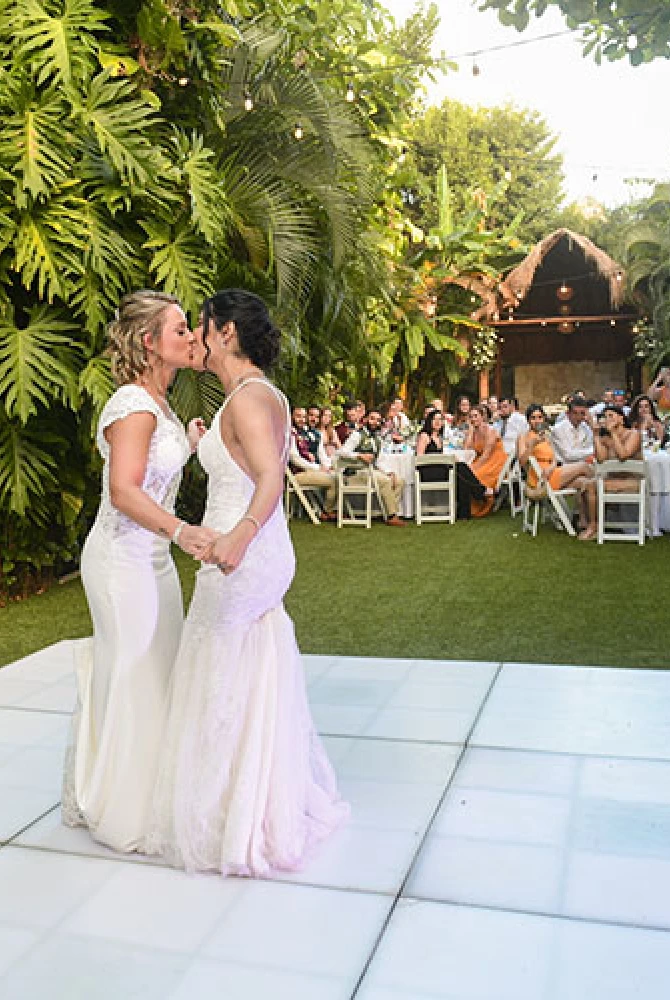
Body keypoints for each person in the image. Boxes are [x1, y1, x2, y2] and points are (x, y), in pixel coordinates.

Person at [148, 289, 348, 875]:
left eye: (202, 327)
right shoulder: (244, 396)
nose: (197, 339)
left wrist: (237, 535)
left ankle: (235, 816)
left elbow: (268, 479)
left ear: (227, 332)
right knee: (242, 669)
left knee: (221, 670)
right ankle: (249, 802)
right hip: (242, 549)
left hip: (245, 552)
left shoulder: (251, 397)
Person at [61, 290, 217, 852]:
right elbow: (125, 492)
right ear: (149, 343)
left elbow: (154, 468)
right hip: (121, 561)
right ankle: (120, 806)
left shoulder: (161, 402)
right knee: (132, 670)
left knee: (157, 669)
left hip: (152, 561)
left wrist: (191, 445)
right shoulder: (134, 405)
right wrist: (181, 530)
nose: (192, 338)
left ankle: (153, 791)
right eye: (180, 330)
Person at [518, 404, 594, 530]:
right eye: (533, 418)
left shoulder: (547, 435)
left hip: (551, 472)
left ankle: (584, 521)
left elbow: (554, 459)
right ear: (528, 420)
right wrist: (531, 445)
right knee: (584, 467)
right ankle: (606, 494)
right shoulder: (524, 437)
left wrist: (551, 467)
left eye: (540, 417)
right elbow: (522, 462)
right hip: (538, 478)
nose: (537, 421)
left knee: (583, 482)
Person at [578, 404, 643, 541]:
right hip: (611, 479)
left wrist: (614, 433)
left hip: (632, 481)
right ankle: (591, 523)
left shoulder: (633, 434)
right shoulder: (605, 438)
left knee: (591, 485)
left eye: (611, 416)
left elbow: (623, 455)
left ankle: (593, 526)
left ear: (621, 418)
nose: (607, 419)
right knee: (587, 483)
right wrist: (596, 435)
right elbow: (601, 459)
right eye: (605, 416)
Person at [339, 409, 406, 525]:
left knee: (399, 481)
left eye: (378, 420)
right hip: (354, 473)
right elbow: (342, 452)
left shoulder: (378, 439)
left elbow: (380, 461)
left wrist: (389, 472)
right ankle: (392, 515)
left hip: (370, 472)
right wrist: (359, 455)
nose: (375, 422)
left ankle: (388, 512)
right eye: (372, 418)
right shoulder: (357, 435)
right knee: (385, 481)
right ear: (365, 420)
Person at [288, 406, 338, 521]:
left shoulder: (313, 433)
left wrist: (329, 466)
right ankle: (327, 511)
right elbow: (294, 458)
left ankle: (327, 510)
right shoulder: (290, 433)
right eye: (298, 416)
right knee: (333, 480)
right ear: (292, 417)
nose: (302, 419)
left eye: (304, 416)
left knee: (336, 476)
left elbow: (321, 454)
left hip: (313, 471)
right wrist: (317, 467)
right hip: (297, 473)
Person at [463, 404, 508, 517]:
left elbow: (487, 454)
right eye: (471, 417)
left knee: (475, 474)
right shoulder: (472, 432)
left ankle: (487, 501)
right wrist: (471, 431)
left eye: (476, 416)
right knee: (464, 473)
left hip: (495, 460)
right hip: (480, 459)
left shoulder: (490, 431)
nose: (473, 419)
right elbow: (466, 451)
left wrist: (473, 468)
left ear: (482, 417)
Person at [550, 396, 594, 465]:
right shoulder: (558, 429)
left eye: (582, 413)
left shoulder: (585, 427)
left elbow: (591, 445)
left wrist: (592, 424)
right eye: (575, 413)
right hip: (562, 466)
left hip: (583, 464)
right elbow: (568, 455)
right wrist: (592, 451)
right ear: (568, 414)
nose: (578, 417)